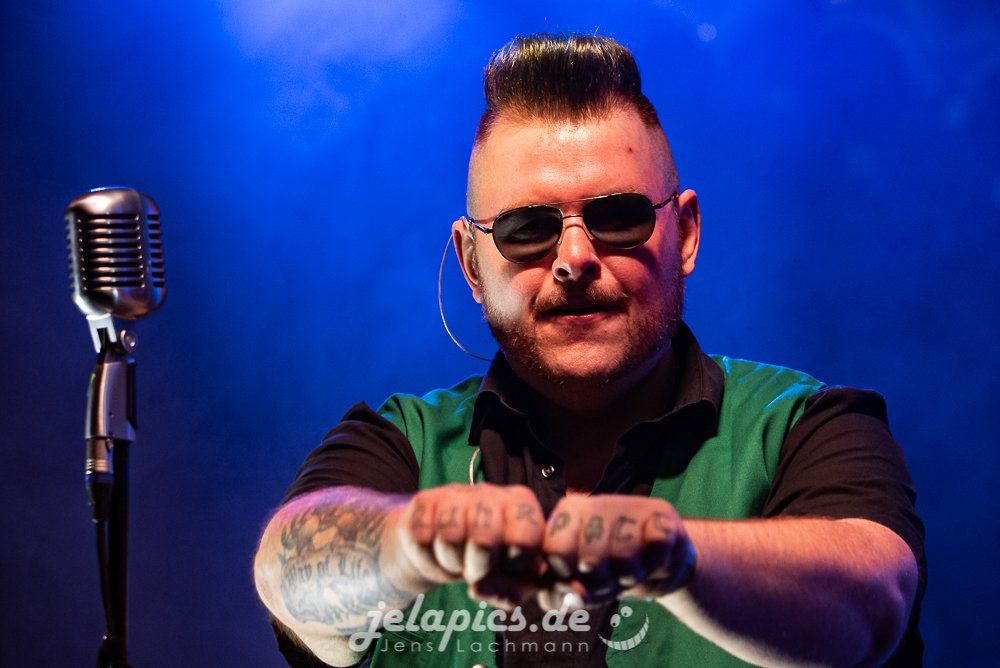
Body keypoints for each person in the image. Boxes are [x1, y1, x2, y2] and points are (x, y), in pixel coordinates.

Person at [253, 34, 925, 667]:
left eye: (618, 217)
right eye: (527, 228)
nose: (574, 258)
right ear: (471, 263)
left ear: (685, 234)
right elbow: (288, 578)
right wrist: (414, 541)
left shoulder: (805, 426)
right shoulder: (401, 443)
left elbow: (874, 609)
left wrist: (674, 555)